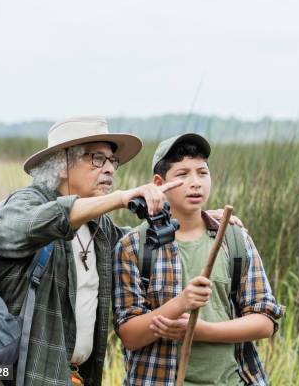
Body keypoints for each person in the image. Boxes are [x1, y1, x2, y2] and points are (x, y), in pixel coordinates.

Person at [0, 117, 235, 385]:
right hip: (23, 375)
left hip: (75, 377)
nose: (109, 169)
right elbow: (26, 227)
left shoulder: (100, 227)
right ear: (62, 164)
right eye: (97, 159)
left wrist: (196, 219)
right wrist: (120, 198)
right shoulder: (25, 204)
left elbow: (139, 242)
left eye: (112, 161)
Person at [113, 133, 284, 385]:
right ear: (159, 183)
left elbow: (265, 321)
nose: (195, 183)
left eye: (202, 173)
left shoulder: (234, 239)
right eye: (182, 175)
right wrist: (181, 303)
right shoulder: (134, 247)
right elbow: (129, 334)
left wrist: (201, 331)